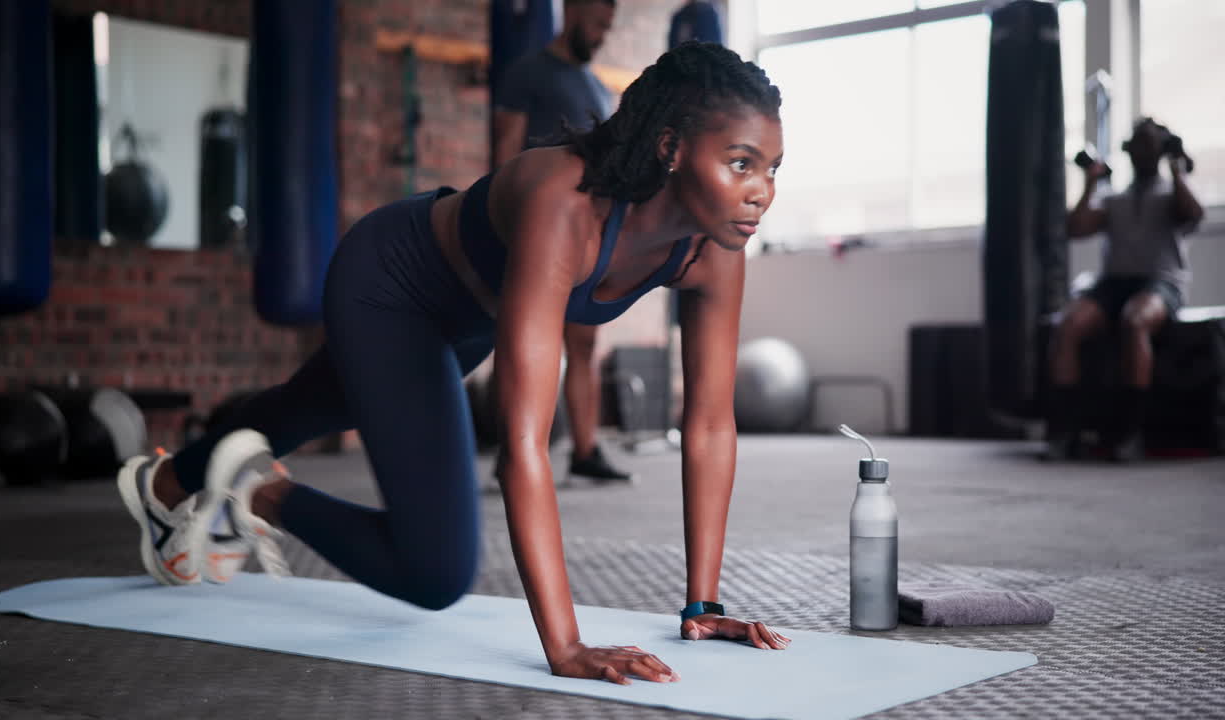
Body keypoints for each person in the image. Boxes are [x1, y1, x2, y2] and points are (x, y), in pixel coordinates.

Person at [116, 41, 790, 685]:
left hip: (470, 323)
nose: (761, 191)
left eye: (772, 169)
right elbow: (523, 444)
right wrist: (566, 645)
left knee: (306, 406)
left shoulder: (713, 251)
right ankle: (255, 491)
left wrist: (702, 607)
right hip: (392, 283)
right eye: (740, 163)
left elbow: (707, 426)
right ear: (671, 148)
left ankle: (167, 485)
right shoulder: (569, 202)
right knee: (435, 572)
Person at [492, 0, 632, 483]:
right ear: (572, 10)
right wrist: (505, 227)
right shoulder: (528, 72)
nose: (601, 35)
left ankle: (586, 449)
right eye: (597, 23)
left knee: (586, 342)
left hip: (587, 235)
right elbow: (505, 152)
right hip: (538, 229)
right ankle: (517, 448)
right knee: (534, 340)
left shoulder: (597, 87)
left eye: (608, 28)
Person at [1044, 117, 1205, 462]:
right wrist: (1090, 184)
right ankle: (1064, 433)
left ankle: (1130, 433)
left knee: (1135, 321)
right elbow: (1075, 229)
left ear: (1161, 148)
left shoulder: (1171, 192)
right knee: (1067, 325)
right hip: (1113, 283)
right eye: (1138, 141)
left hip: (1161, 283)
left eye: (1151, 141)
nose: (1143, 148)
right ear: (1128, 149)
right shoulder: (1114, 198)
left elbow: (1192, 214)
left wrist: (1178, 169)